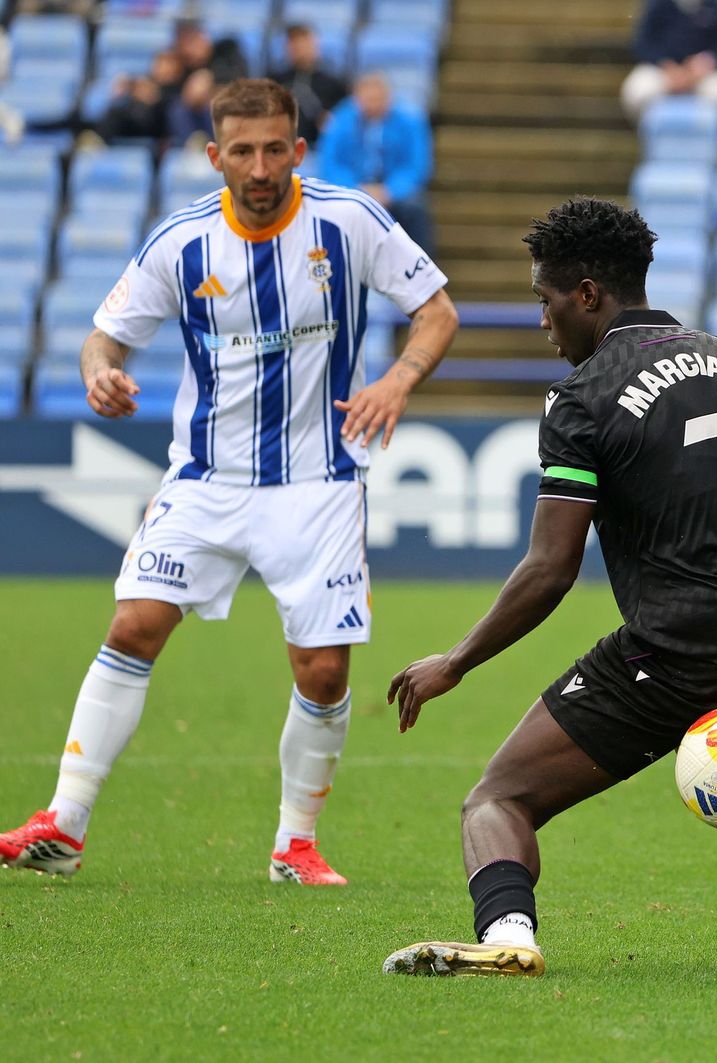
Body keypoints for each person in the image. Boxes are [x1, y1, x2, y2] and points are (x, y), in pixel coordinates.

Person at [380, 197, 717, 978]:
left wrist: (456, 661)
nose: (543, 320)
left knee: (498, 799)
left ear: (589, 293)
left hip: (681, 637)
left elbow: (549, 568)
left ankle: (505, 936)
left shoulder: (582, 398)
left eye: (546, 299)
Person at [0, 79, 460, 884]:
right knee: (134, 625)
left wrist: (400, 380)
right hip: (205, 478)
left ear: (298, 150)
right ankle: (64, 823)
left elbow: (437, 310)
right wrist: (102, 372)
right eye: (241, 151)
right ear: (214, 155)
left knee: (322, 671)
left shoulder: (347, 220)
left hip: (318, 482)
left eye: (274, 148)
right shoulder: (181, 242)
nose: (259, 166)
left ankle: (295, 844)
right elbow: (104, 338)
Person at [318, 73, 436, 256]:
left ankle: (423, 270)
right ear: (356, 100)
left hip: (395, 193)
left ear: (389, 98)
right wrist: (357, 190)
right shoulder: (340, 120)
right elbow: (330, 164)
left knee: (415, 209)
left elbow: (416, 166)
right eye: (367, 100)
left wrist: (389, 191)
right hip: (353, 191)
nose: (372, 105)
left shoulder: (410, 120)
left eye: (377, 99)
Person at [620, 0, 717, 123]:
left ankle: (707, 137)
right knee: (639, 90)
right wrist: (664, 64)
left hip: (702, 73)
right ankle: (652, 134)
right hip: (664, 70)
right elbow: (642, 44)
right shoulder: (657, 4)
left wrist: (706, 62)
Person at [269, 24, 350, 147]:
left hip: (319, 149)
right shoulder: (274, 81)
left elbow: (347, 118)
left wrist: (333, 122)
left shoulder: (334, 83)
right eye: (294, 44)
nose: (299, 49)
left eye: (303, 43)